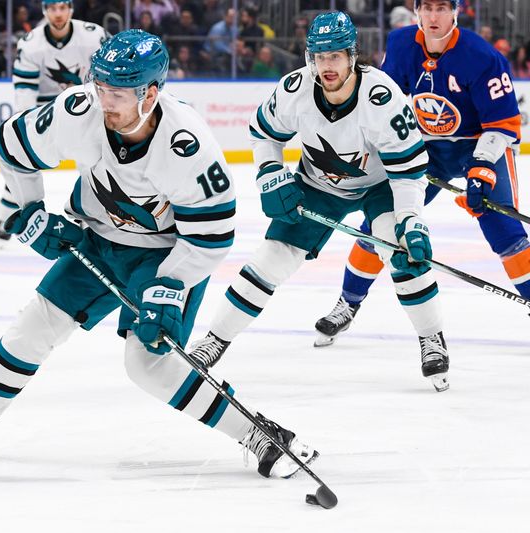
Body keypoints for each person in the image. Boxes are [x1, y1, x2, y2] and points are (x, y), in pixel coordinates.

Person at [0, 30, 318, 479]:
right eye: (100, 86)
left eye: (118, 93)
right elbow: (12, 147)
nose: (104, 101)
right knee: (35, 324)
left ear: (151, 92)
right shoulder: (79, 111)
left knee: (147, 364)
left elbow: (212, 236)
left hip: (166, 254)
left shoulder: (188, 146)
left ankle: (260, 435)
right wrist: (28, 210)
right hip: (97, 238)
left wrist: (169, 287)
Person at [188, 11, 451, 392]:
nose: (326, 65)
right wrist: (269, 173)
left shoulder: (382, 97)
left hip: (379, 186)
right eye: (319, 56)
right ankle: (215, 339)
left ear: (352, 56)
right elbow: (263, 132)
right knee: (269, 260)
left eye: (335, 56)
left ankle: (431, 337)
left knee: (402, 255)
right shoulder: (295, 89)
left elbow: (409, 168)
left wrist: (410, 219)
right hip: (317, 185)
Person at [313, 1, 526, 358]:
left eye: (441, 8)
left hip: (479, 146)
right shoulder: (401, 44)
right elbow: (383, 102)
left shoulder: (482, 56)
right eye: (426, 8)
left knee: (505, 232)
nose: (433, 17)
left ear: (455, 11)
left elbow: (503, 125)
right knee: (381, 223)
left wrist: (481, 171)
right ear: (416, 11)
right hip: (428, 148)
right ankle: (347, 304)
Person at [0, 0, 108, 241]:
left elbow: (107, 78)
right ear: (45, 11)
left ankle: (93, 221)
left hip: (87, 110)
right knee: (20, 156)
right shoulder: (31, 44)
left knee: (92, 163)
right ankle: (8, 215)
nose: (58, 14)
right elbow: (25, 91)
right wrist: (25, 123)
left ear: (71, 9)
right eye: (53, 9)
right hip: (47, 113)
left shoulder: (93, 36)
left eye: (63, 8)